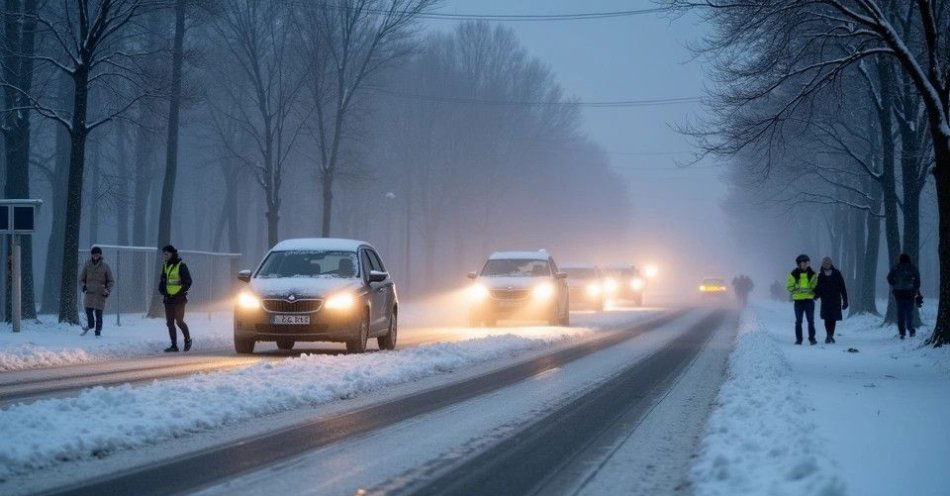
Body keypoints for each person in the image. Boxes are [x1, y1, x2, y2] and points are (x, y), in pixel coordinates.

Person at [159, 245, 193, 352]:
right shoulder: (165, 266)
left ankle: (187, 340)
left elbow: (188, 281)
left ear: (172, 254)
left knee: (179, 321)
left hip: (179, 299)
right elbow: (163, 281)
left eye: (166, 254)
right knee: (170, 322)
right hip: (168, 298)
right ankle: (174, 345)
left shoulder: (181, 266)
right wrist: (162, 290)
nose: (164, 256)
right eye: (164, 254)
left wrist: (181, 291)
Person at [79, 246, 114, 336]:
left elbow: (111, 281)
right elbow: (81, 279)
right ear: (92, 255)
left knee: (99, 314)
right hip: (89, 293)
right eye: (94, 254)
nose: (95, 256)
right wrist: (83, 287)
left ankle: (97, 332)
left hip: (100, 293)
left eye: (97, 254)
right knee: (88, 311)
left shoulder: (105, 266)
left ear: (100, 255)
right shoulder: (87, 265)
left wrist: (107, 290)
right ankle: (90, 325)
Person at [886, 253, 921, 339]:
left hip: (899, 293)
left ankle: (902, 332)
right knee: (909, 312)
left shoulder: (896, 267)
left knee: (900, 313)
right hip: (910, 293)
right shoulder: (912, 268)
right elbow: (917, 279)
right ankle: (910, 328)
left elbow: (889, 277)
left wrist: (894, 283)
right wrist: (915, 288)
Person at [786, 254, 818, 345]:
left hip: (809, 300)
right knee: (798, 321)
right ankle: (799, 340)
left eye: (807, 262)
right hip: (798, 301)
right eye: (803, 262)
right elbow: (789, 286)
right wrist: (797, 291)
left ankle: (812, 339)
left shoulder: (813, 274)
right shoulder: (793, 274)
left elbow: (815, 286)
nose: (805, 264)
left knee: (811, 321)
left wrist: (813, 291)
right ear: (799, 263)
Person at [815, 257, 848, 344]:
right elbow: (818, 288)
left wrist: (845, 301)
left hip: (835, 299)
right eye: (825, 263)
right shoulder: (820, 275)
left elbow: (842, 287)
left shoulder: (837, 273)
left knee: (833, 319)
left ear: (831, 263)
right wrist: (814, 296)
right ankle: (828, 335)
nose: (826, 264)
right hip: (825, 300)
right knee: (827, 318)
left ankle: (830, 336)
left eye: (828, 262)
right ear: (822, 264)